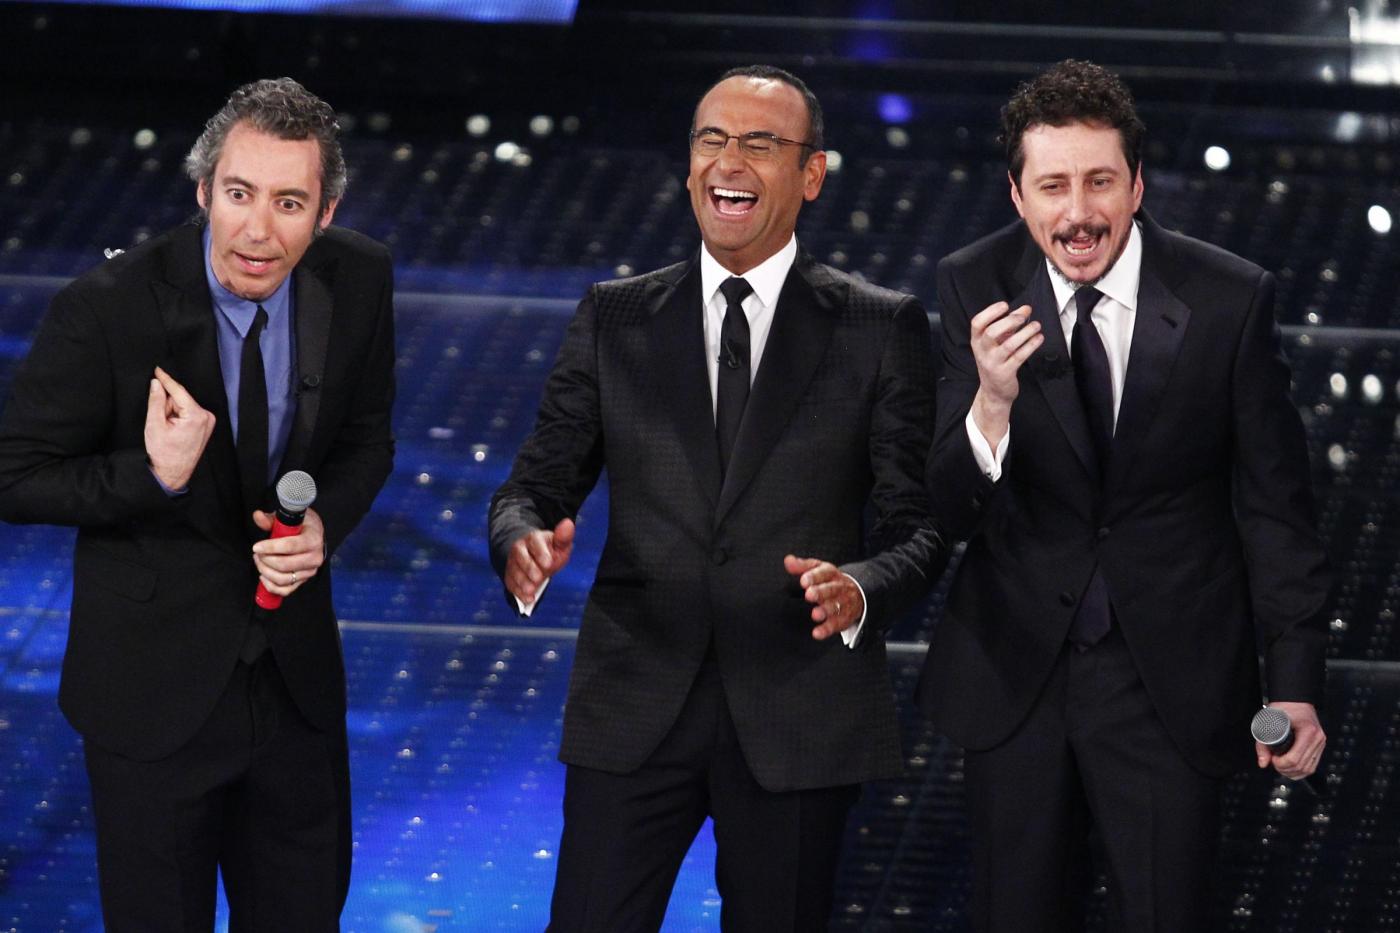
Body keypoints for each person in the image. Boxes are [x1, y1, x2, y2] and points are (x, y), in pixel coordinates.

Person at [489, 64, 945, 932]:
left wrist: (859, 588)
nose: (728, 161)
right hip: (636, 702)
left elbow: (915, 529)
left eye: (760, 144)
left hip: (798, 704)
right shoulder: (615, 315)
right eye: (712, 139)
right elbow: (535, 485)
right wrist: (520, 538)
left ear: (812, 174)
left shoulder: (878, 326)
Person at [917, 59, 1330, 931]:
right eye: (1053, 186)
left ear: (1137, 184)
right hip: (1017, 678)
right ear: (1018, 195)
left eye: (1100, 181)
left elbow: (1276, 508)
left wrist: (1294, 682)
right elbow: (945, 508)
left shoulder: (1229, 298)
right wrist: (991, 401)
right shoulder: (972, 283)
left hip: (1170, 680)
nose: (1079, 213)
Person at [0, 78, 396, 932]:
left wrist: (324, 523)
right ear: (203, 190)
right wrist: (153, 475)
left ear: (325, 212)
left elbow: (368, 439)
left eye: (289, 202)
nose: (258, 230)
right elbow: (15, 473)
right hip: (152, 701)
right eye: (239, 194)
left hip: (295, 697)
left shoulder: (360, 280)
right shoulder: (108, 309)